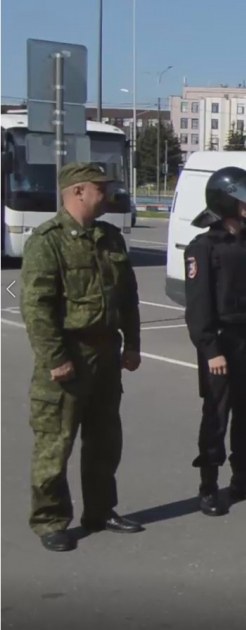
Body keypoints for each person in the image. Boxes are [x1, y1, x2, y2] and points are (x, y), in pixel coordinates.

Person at [22, 163, 144, 552]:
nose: (108, 195)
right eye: (100, 189)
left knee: (105, 439)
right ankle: (50, 520)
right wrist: (56, 357)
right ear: (77, 191)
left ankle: (101, 510)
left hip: (106, 352)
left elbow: (128, 297)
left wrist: (133, 343)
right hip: (68, 354)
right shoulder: (47, 241)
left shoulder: (110, 238)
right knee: (55, 442)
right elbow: (37, 308)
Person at [184, 167, 246, 515]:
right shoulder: (204, 247)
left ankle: (243, 479)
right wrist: (210, 349)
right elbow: (198, 307)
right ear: (225, 199)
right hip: (222, 345)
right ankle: (209, 485)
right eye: (241, 197)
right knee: (216, 416)